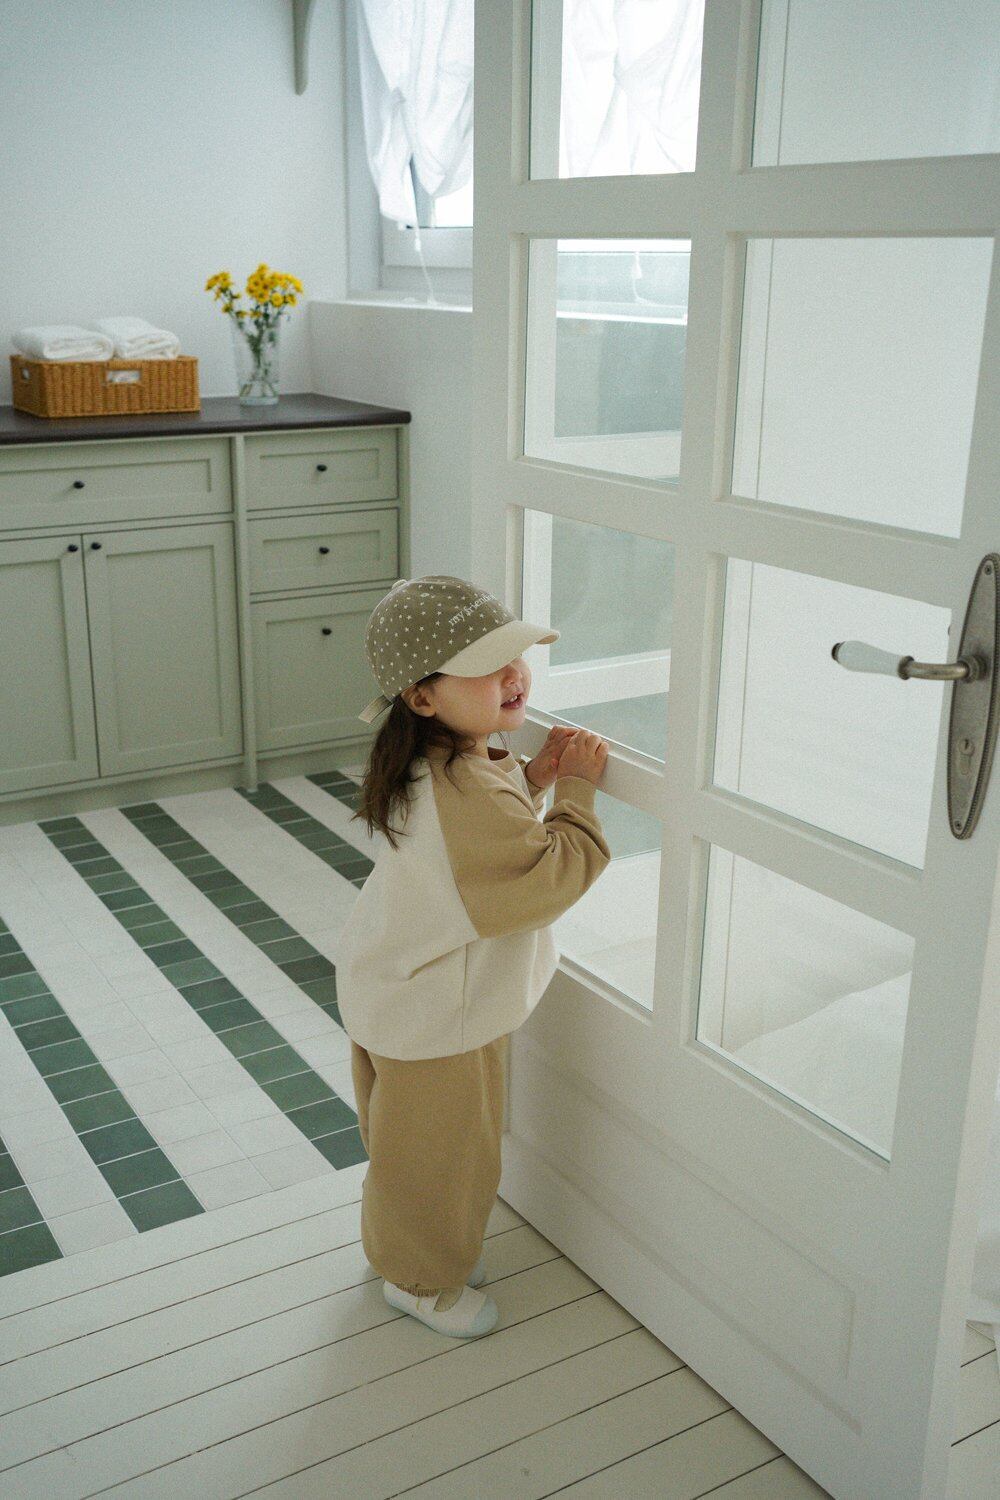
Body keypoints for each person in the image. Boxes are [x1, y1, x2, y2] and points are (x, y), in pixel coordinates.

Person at [337, 576, 611, 1338]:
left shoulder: (435, 762)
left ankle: (408, 1251)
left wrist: (535, 776)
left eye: (516, 656)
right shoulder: (465, 791)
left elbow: (480, 834)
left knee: (407, 1146)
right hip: (436, 1016)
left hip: (400, 991)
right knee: (442, 1157)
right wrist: (576, 793)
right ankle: (421, 1281)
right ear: (423, 697)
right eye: (489, 666)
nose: (515, 675)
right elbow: (544, 878)